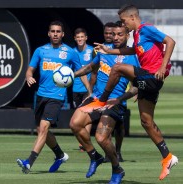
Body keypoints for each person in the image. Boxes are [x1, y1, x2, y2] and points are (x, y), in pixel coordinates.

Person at [91, 4, 179, 180]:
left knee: (116, 68)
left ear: (132, 18)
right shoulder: (138, 35)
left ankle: (101, 101)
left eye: (124, 22)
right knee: (146, 122)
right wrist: (109, 50)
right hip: (147, 80)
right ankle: (168, 157)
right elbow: (132, 50)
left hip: (152, 76)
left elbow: (170, 41)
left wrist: (162, 67)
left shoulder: (146, 29)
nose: (123, 26)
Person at [16, 20, 90, 174]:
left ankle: (29, 162)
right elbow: (30, 69)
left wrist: (89, 90)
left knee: (43, 128)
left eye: (58, 32)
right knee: (41, 130)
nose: (55, 34)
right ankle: (60, 155)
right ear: (48, 33)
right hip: (40, 95)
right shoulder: (40, 50)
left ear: (62, 34)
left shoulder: (70, 52)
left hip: (57, 96)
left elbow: (82, 71)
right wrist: (28, 76)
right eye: (53, 31)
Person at [71, 21, 139, 183]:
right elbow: (89, 68)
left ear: (127, 36)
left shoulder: (132, 58)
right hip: (96, 98)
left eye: (120, 34)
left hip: (113, 102)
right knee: (75, 124)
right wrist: (71, 75)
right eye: (113, 34)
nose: (115, 37)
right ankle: (94, 157)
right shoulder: (103, 51)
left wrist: (121, 99)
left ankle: (117, 168)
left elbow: (136, 87)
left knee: (101, 138)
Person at [96, 22, 126, 162]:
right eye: (110, 34)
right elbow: (93, 68)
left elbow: (136, 77)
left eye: (116, 34)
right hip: (101, 97)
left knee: (119, 127)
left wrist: (136, 89)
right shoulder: (101, 50)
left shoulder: (130, 54)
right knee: (101, 131)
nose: (112, 36)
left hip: (118, 99)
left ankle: (117, 152)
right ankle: (106, 155)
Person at [72, 28, 95, 151]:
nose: (80, 39)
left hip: (89, 89)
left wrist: (91, 88)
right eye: (78, 37)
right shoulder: (72, 52)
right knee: (78, 116)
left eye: (82, 37)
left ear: (86, 37)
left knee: (88, 115)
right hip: (76, 89)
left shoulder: (92, 51)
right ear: (75, 39)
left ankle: (84, 143)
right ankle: (83, 140)